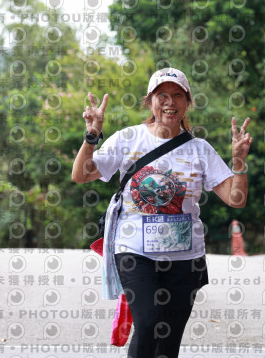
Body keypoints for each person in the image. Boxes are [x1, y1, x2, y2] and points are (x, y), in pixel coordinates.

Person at [72, 67, 252, 358]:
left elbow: (236, 199)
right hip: (134, 252)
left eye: (177, 95)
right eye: (162, 95)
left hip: (186, 258)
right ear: (150, 101)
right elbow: (81, 174)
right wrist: (91, 136)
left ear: (187, 102)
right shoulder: (128, 139)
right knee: (149, 322)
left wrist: (239, 162)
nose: (170, 102)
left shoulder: (200, 149)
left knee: (168, 340)